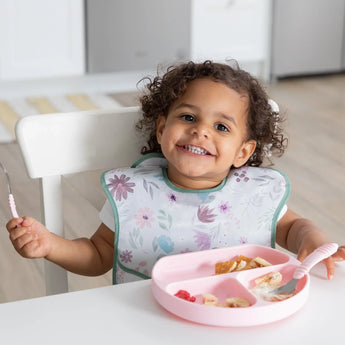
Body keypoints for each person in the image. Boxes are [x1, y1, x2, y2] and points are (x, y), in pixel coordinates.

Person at [6, 60, 345, 284]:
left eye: (222, 127)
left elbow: (293, 227)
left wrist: (311, 239)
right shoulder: (134, 193)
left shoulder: (253, 192)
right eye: (188, 117)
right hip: (149, 322)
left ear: (244, 152)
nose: (201, 131)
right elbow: (97, 255)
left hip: (240, 318)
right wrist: (51, 244)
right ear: (162, 128)